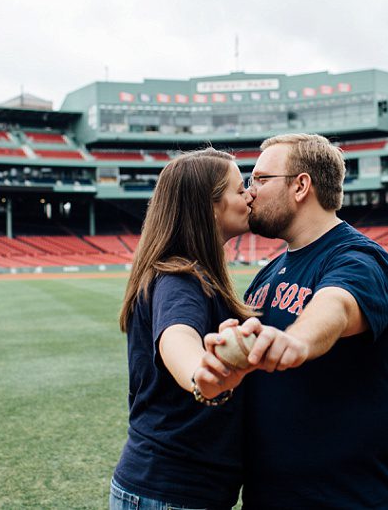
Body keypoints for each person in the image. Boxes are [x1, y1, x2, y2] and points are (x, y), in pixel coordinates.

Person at [200, 133, 388, 509]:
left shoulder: (360, 258)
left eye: (261, 180)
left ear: (301, 186)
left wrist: (298, 340)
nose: (250, 192)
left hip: (352, 500)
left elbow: (338, 306)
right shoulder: (269, 273)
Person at [111, 147, 256, 510]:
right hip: (170, 493)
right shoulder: (181, 278)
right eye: (240, 189)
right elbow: (177, 337)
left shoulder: (191, 272)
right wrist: (201, 374)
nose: (250, 194)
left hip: (172, 491)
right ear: (210, 207)